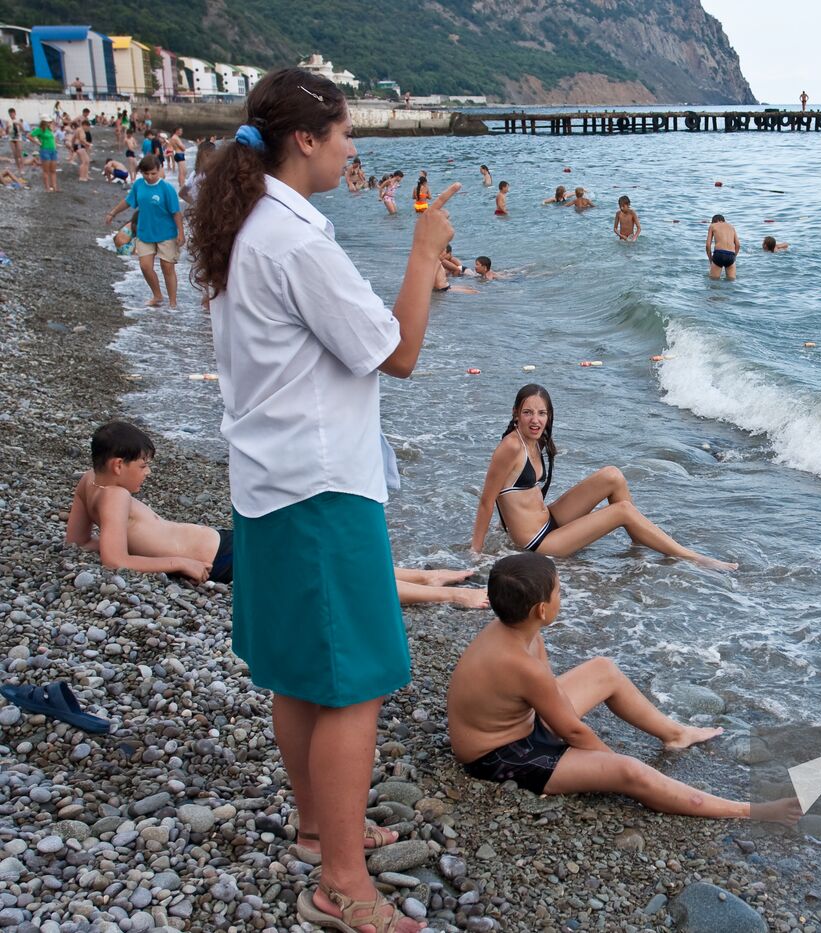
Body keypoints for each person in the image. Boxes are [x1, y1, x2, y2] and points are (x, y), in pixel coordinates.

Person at [188, 67, 462, 933]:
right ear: (306, 138)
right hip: (321, 484)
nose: (353, 151)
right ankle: (342, 883)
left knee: (300, 667)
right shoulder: (298, 241)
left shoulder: (249, 225)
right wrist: (424, 252)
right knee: (353, 681)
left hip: (269, 478)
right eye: (345, 134)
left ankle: (317, 830)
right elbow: (399, 352)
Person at [448, 554, 800, 822]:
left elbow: (549, 703)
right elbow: (568, 727)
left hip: (526, 724)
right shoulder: (517, 663)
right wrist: (611, 766)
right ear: (542, 609)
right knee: (629, 771)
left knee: (604, 670)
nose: (562, 596)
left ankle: (675, 733)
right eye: (559, 591)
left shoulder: (515, 627)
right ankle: (746, 810)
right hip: (500, 756)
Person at [67, 421, 489, 607]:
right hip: (224, 559)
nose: (147, 473)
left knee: (333, 567)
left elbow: (79, 542)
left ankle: (424, 576)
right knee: (339, 579)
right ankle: (447, 592)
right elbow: (114, 560)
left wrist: (119, 546)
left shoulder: (91, 482)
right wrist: (177, 562)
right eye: (143, 466)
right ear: (119, 465)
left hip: (227, 546)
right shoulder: (117, 495)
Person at [470, 384, 737, 570]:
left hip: (549, 520)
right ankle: (691, 557)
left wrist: (506, 524)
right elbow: (487, 500)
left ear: (549, 415)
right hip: (540, 543)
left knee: (613, 475)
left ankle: (640, 544)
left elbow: (522, 496)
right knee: (622, 511)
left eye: (542, 413)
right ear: (516, 414)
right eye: (528, 412)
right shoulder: (511, 446)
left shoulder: (536, 441)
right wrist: (476, 553)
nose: (535, 420)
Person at [105, 155, 184, 308]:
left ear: (159, 170)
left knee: (167, 268)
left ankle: (173, 303)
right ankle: (157, 295)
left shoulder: (167, 189)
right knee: (145, 266)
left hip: (166, 234)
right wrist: (112, 213)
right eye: (146, 173)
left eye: (153, 173)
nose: (149, 177)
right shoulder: (139, 185)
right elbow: (128, 202)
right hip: (144, 232)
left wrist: (181, 233)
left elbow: (176, 212)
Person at [179, 140, 216, 205]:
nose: (211, 159)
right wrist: (196, 205)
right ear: (200, 157)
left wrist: (195, 205)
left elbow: (182, 194)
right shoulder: (198, 175)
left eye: (214, 156)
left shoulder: (194, 174)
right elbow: (182, 194)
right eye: (208, 155)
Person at [706, 214, 740, 280]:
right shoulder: (731, 227)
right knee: (731, 280)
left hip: (719, 254)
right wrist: (734, 257)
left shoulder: (712, 226)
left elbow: (708, 245)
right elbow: (738, 245)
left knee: (714, 281)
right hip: (731, 255)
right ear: (723, 220)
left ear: (715, 221)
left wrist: (711, 260)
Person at [29, 117, 58, 192]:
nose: (50, 123)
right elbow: (29, 136)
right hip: (45, 150)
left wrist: (55, 147)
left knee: (53, 170)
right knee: (46, 171)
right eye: (48, 122)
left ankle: (54, 187)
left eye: (50, 122)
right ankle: (47, 188)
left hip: (53, 150)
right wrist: (38, 143)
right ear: (44, 122)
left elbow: (53, 139)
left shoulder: (49, 129)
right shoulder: (39, 130)